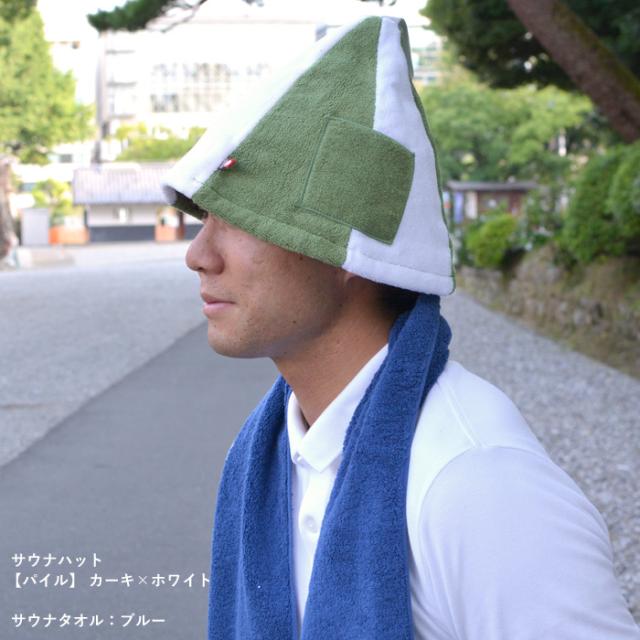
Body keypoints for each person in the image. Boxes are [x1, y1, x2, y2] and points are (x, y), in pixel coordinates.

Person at [163, 15, 640, 640]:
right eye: (204, 220)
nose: (198, 255)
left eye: (238, 221)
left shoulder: (479, 482)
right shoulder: (278, 445)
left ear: (350, 254)